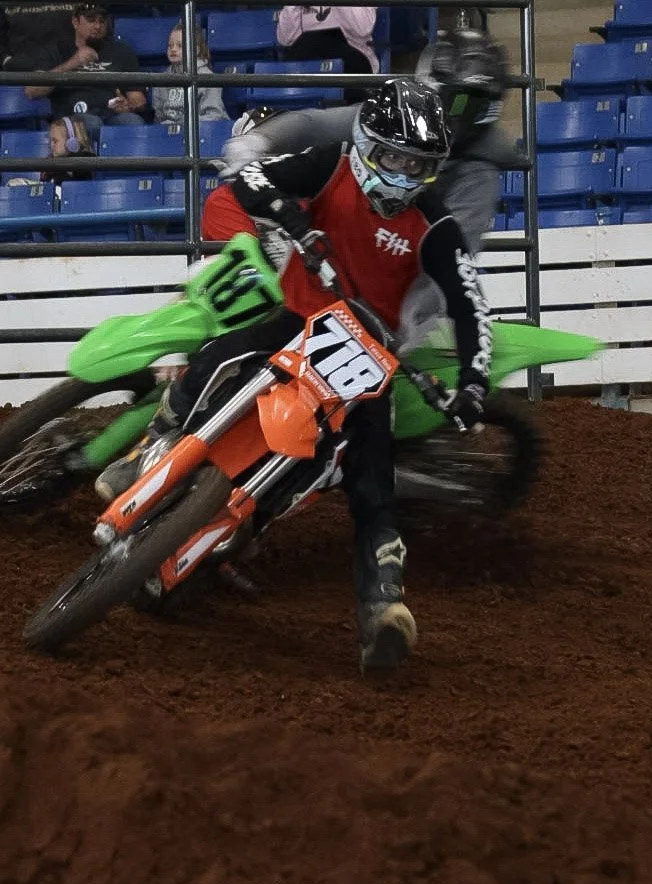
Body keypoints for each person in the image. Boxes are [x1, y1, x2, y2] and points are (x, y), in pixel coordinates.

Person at [95, 79, 494, 675]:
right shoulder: (331, 164)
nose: (403, 174)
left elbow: (472, 305)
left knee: (371, 477)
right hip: (300, 315)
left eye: (418, 164)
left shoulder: (436, 226)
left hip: (368, 355)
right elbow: (250, 178)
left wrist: (475, 384)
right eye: (393, 158)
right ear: (367, 144)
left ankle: (383, 605)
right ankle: (150, 449)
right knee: (217, 357)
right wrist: (289, 214)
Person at [215, 25, 518, 343]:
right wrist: (261, 140)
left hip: (400, 291)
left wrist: (403, 328)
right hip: (348, 263)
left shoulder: (478, 174)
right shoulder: (396, 120)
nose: (462, 118)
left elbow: (451, 258)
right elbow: (317, 125)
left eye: (478, 107)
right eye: (457, 103)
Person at [24, 4, 147, 134]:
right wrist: (72, 63)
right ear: (75, 22)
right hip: (70, 118)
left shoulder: (122, 51)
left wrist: (128, 106)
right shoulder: (56, 50)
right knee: (92, 123)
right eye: (91, 20)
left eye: (102, 21)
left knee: (133, 122)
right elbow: (32, 90)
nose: (97, 26)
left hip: (111, 115)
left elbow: (138, 99)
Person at [276, 5, 378, 104]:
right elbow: (285, 39)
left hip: (353, 60)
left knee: (315, 40)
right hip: (309, 62)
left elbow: (363, 30)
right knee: (309, 42)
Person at [151, 23, 227, 127]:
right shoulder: (162, 78)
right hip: (169, 132)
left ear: (196, 50)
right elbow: (159, 118)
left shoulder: (207, 77)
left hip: (201, 131)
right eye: (170, 45)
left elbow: (214, 115)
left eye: (180, 46)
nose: (173, 49)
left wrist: (182, 124)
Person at [0, 2, 76, 72]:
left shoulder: (77, 5)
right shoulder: (7, 5)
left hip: (71, 73)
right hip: (23, 75)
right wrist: (6, 61)